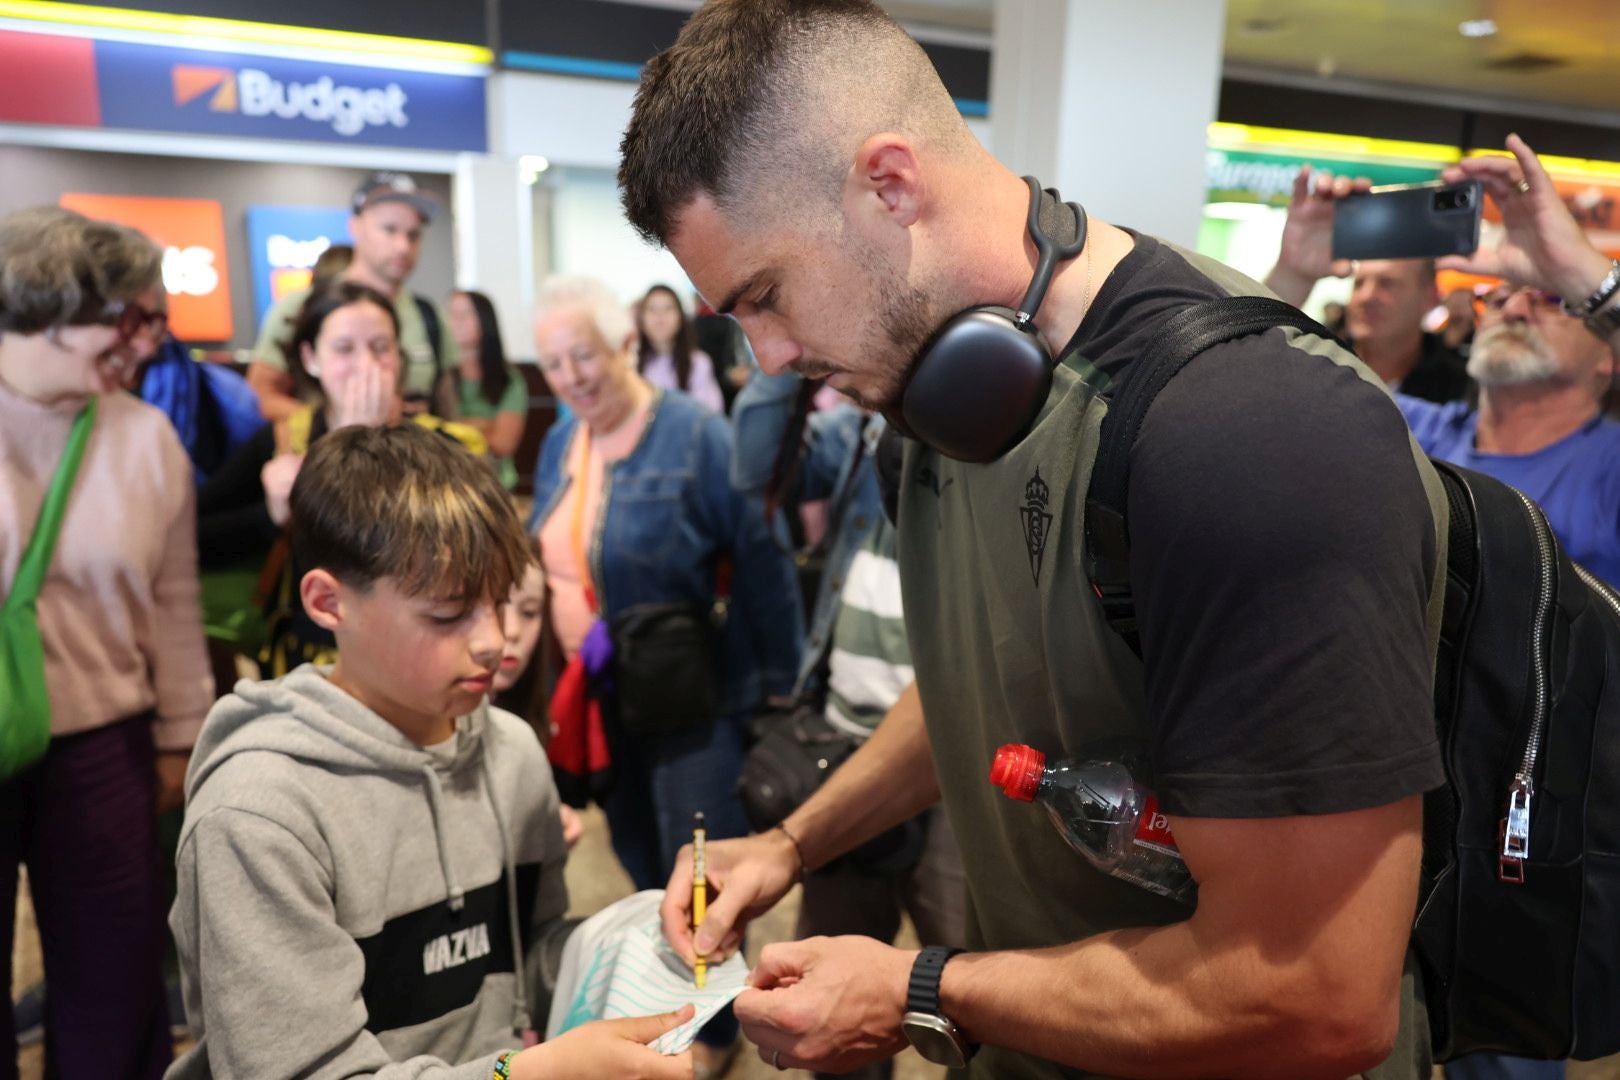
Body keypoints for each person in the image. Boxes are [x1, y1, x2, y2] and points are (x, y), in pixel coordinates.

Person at [620, 3, 1449, 1077]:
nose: (767, 357)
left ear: (889, 183)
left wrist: (922, 987)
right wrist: (792, 843)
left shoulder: (1253, 433)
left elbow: (1314, 996)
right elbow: (989, 679)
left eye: (766, 296)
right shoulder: (927, 403)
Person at [166, 422, 694, 1080]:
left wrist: (649, 940)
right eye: (448, 615)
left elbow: (522, 965)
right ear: (329, 602)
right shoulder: (258, 815)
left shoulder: (512, 752)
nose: (494, 643)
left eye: (501, 604)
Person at [528, 275, 802, 1077]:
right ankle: (671, 1012)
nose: (571, 376)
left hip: (691, 694)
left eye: (583, 354)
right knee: (644, 866)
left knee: (701, 876)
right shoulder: (559, 441)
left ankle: (715, 1035)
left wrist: (775, 694)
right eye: (552, 364)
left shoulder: (692, 434)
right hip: (601, 697)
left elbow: (763, 564)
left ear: (624, 346)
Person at [0, 206, 212, 1079]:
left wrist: (180, 736)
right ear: (50, 307)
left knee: (114, 978)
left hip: (106, 748)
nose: (149, 340)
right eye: (128, 315)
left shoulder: (143, 436)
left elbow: (174, 602)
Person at [732, 369, 966, 1080]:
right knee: (826, 1000)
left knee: (973, 989)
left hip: (962, 765)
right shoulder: (863, 430)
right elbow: (758, 465)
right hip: (842, 742)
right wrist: (774, 340)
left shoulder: (995, 418)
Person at [1272, 136, 1620, 593]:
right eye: (1497, 296)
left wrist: (1578, 270)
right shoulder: (1412, 427)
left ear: (1607, 360)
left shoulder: (1609, 467)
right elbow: (1241, 388)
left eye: (1550, 300)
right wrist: (1294, 274)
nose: (1513, 310)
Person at [197, 281, 486, 676]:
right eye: (345, 349)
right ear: (311, 357)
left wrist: (364, 450)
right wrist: (270, 515)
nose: (366, 365)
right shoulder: (286, 441)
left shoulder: (451, 446)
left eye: (381, 347)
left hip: (423, 657)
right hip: (307, 661)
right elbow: (196, 536)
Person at [247, 173, 456, 421]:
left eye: (413, 235)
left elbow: (447, 406)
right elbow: (260, 394)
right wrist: (332, 422)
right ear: (356, 227)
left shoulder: (430, 316)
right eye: (389, 230)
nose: (403, 246)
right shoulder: (299, 308)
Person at [1266, 166, 1471, 403]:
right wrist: (1294, 275)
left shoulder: (1462, 391)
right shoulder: (1313, 361)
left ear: (1430, 297)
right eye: (1359, 283)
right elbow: (1244, 361)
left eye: (1387, 284)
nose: (1366, 296)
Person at [449, 289, 528, 489]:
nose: (456, 321)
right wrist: (484, 425)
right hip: (447, 484)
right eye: (451, 314)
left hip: (496, 484)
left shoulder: (509, 379)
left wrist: (454, 425)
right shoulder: (440, 376)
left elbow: (503, 444)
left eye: (465, 314)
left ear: (485, 320)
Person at [636, 284, 725, 412]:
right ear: (641, 318)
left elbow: (711, 415)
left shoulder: (698, 363)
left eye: (668, 308)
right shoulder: (631, 364)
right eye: (652, 309)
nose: (660, 317)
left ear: (681, 316)